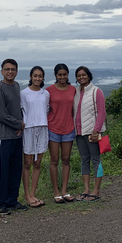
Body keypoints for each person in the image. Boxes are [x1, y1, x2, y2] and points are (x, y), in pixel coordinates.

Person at [0, 58, 27, 214]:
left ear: (17, 71)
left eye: (13, 69)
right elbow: (1, 114)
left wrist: (20, 125)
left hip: (16, 137)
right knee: (2, 171)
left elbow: (16, 109)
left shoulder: (16, 86)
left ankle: (12, 201)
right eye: (7, 69)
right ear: (2, 71)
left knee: (15, 170)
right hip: (3, 137)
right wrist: (19, 124)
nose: (10, 72)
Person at [73, 65, 106, 202]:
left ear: (89, 76)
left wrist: (96, 130)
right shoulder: (75, 92)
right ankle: (86, 189)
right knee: (84, 160)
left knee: (96, 160)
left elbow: (101, 112)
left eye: (83, 75)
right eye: (79, 75)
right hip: (79, 132)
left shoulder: (96, 91)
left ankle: (96, 190)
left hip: (91, 133)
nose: (81, 77)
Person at [46, 63, 77, 203]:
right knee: (54, 160)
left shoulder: (73, 90)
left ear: (68, 75)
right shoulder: (49, 91)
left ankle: (64, 190)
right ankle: (56, 192)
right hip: (53, 128)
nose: (62, 77)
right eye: (60, 75)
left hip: (68, 128)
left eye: (65, 74)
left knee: (66, 160)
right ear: (55, 75)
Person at [20, 66, 50, 207]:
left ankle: (33, 194)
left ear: (43, 78)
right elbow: (19, 111)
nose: (37, 78)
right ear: (31, 77)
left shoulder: (46, 94)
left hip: (42, 128)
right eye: (35, 76)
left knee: (37, 163)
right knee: (27, 163)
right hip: (29, 129)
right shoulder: (23, 93)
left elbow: (47, 110)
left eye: (40, 76)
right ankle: (27, 196)